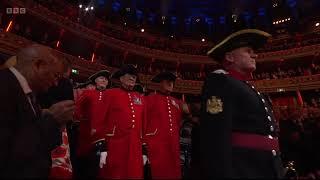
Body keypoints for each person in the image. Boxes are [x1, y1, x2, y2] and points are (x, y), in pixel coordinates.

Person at [194, 29, 284, 178]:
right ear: (230, 57)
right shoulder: (220, 81)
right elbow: (216, 135)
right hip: (244, 169)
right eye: (248, 51)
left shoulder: (247, 86)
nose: (255, 55)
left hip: (265, 166)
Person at [0, 44, 75, 178]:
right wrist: (52, 121)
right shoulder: (4, 86)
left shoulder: (28, 95)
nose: (55, 83)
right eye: (55, 75)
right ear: (38, 65)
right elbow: (12, 152)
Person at [91, 64, 146, 179]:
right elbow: (99, 120)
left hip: (135, 147)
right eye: (129, 75)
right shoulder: (110, 94)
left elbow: (144, 124)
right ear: (121, 78)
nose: (133, 78)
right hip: (114, 146)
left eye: (134, 76)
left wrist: (144, 150)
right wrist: (103, 148)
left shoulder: (140, 98)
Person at [144, 71, 189, 179]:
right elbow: (144, 121)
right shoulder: (150, 98)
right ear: (160, 83)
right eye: (167, 81)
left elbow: (181, 120)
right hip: (156, 145)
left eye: (172, 82)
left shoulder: (176, 102)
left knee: (173, 173)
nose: (170, 84)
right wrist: (144, 146)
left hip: (173, 145)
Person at [73, 70, 110, 179]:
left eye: (106, 79)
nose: (104, 80)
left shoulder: (110, 96)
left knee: (99, 167)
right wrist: (82, 119)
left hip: (103, 137)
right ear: (95, 81)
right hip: (86, 134)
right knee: (83, 164)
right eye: (101, 78)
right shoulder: (88, 93)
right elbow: (77, 109)